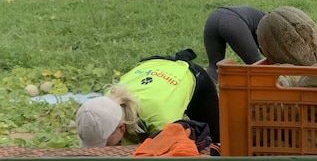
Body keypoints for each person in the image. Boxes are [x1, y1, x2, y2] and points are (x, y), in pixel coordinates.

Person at [76, 49, 220, 148]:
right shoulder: (103, 108)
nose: (103, 149)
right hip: (150, 66)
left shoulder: (161, 119)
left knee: (218, 140)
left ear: (121, 127)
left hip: (189, 75)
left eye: (105, 143)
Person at [203, 6, 266, 82]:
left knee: (214, 66)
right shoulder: (268, 23)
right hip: (233, 22)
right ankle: (273, 90)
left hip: (213, 18)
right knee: (257, 66)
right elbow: (266, 47)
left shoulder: (262, 17)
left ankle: (205, 92)